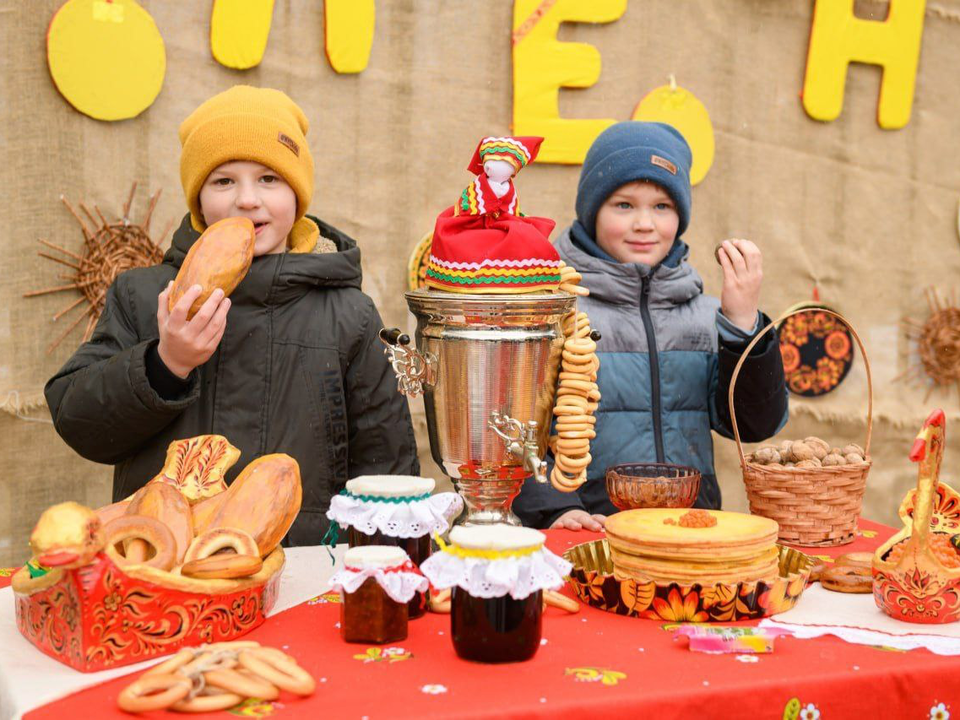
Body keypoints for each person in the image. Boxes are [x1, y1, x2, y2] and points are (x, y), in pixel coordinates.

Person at [45, 85, 418, 544]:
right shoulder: (144, 295)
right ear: (198, 199)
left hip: (304, 564)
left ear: (298, 196)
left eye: (269, 179)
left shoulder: (348, 314)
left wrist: (380, 574)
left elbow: (387, 463)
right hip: (165, 561)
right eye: (223, 181)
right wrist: (165, 364)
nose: (247, 199)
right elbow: (79, 422)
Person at [513, 121, 788, 531]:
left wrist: (743, 323)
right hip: (588, 529)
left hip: (689, 530)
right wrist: (553, 508)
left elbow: (753, 425)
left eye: (662, 206)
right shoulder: (552, 307)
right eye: (624, 205)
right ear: (592, 211)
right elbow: (514, 428)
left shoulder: (704, 314)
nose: (645, 223)